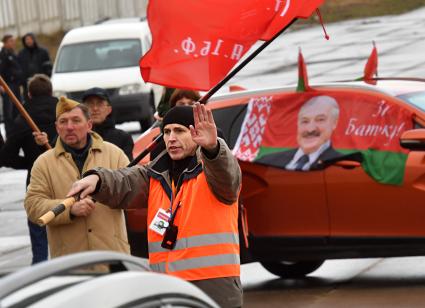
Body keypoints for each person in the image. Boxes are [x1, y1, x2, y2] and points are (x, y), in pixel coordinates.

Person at [67, 104, 243, 308]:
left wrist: (213, 149)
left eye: (179, 130)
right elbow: (123, 181)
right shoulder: (157, 173)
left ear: (196, 134)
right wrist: (96, 179)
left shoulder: (213, 169)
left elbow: (228, 178)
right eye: (167, 131)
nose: (171, 138)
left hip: (212, 290)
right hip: (168, 288)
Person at [24, 97, 130, 260]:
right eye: (63, 122)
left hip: (113, 258)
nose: (69, 127)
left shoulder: (114, 154)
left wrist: (106, 189)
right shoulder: (44, 163)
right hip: (70, 263)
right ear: (57, 127)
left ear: (89, 125)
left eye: (76, 120)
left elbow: (133, 191)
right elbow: (33, 206)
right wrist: (69, 210)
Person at [0, 74, 57, 264]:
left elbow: (6, 156)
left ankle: (41, 273)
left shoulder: (23, 117)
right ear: (51, 92)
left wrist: (30, 163)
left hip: (36, 181)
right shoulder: (65, 112)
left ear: (30, 94)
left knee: (38, 230)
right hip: (66, 177)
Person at [257, 95, 344, 171]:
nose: (310, 129)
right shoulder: (267, 162)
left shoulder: (342, 165)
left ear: (334, 123)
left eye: (320, 120)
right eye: (305, 121)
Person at [81, 87, 134, 160]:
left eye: (100, 104)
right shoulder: (78, 137)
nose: (95, 108)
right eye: (90, 104)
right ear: (83, 110)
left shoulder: (123, 138)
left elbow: (128, 169)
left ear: (109, 110)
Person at [18, 33, 52, 103]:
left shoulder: (43, 52)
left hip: (42, 82)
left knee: (43, 101)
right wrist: (22, 80)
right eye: (26, 39)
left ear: (34, 39)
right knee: (29, 103)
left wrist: (47, 78)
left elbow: (48, 66)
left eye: (30, 39)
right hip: (27, 84)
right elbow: (19, 68)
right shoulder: (21, 54)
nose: (28, 41)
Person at [0, 34, 23, 138]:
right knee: (8, 112)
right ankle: (10, 134)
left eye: (13, 41)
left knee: (17, 109)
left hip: (16, 85)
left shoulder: (13, 54)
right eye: (11, 41)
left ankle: (17, 132)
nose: (13, 43)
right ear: (5, 43)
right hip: (7, 86)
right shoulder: (2, 54)